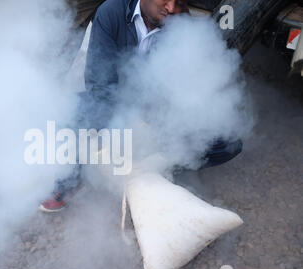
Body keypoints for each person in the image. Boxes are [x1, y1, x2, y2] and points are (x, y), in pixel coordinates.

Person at [39, 0, 242, 212]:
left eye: (178, 1)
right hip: (113, 104)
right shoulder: (111, 12)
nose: (171, 8)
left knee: (228, 144)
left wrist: (158, 124)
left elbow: (180, 90)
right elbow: (99, 83)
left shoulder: (181, 21)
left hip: (155, 114)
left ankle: (157, 165)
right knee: (69, 115)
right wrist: (129, 123)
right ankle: (68, 179)